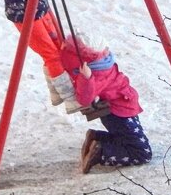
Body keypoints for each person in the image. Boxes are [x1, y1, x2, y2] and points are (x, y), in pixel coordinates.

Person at [60, 34, 153, 174]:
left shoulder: (101, 64)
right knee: (141, 153)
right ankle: (101, 152)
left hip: (125, 107)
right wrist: (86, 77)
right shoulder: (96, 71)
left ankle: (97, 138)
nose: (105, 54)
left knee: (128, 138)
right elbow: (85, 98)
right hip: (118, 113)